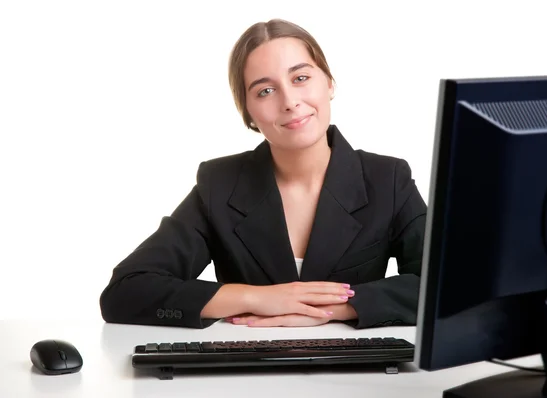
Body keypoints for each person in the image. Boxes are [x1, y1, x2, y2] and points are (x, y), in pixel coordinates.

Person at [99, 18, 427, 330]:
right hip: (248, 371)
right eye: (264, 91)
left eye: (300, 78)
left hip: (359, 376)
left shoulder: (388, 179)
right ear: (249, 114)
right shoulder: (220, 184)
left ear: (329, 83)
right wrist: (257, 297)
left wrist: (335, 311)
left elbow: (450, 284)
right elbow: (126, 291)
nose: (289, 101)